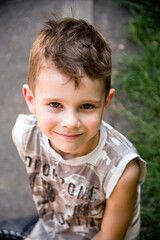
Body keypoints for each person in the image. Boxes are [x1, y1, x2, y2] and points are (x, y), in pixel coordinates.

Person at [12, 17, 146, 240]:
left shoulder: (121, 169)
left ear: (106, 103)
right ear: (31, 99)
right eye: (55, 105)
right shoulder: (24, 135)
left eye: (86, 106)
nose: (70, 122)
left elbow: (110, 237)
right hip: (53, 227)